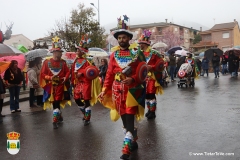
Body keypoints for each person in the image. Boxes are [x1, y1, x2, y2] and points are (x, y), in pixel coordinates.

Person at [98, 19, 146, 160]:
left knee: (130, 115)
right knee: (124, 118)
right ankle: (133, 138)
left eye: (124, 37)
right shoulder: (113, 55)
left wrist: (133, 79)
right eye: (119, 38)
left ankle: (126, 149)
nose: (121, 40)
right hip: (117, 91)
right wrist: (105, 88)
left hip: (131, 90)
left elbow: (143, 73)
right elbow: (109, 74)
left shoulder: (136, 54)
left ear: (129, 39)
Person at [40, 36, 71, 129]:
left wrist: (65, 78)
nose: (61, 54)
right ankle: (59, 115)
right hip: (51, 86)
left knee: (57, 101)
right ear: (54, 52)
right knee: (54, 102)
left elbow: (67, 72)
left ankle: (55, 120)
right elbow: (42, 74)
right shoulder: (46, 62)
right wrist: (50, 77)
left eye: (61, 52)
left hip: (60, 86)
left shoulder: (63, 63)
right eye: (59, 52)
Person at [71, 37, 101, 126]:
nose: (76, 52)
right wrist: (73, 81)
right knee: (76, 99)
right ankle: (85, 113)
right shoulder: (75, 61)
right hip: (78, 83)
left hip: (86, 83)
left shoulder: (89, 61)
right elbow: (73, 71)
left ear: (82, 51)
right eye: (76, 50)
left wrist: (83, 73)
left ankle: (87, 118)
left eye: (78, 50)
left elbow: (94, 71)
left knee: (86, 100)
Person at [138, 29, 164, 120]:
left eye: (140, 43)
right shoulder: (139, 54)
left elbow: (161, 64)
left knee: (151, 94)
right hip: (143, 78)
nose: (139, 45)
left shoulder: (154, 53)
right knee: (146, 95)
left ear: (144, 44)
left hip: (152, 77)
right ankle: (149, 110)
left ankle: (153, 112)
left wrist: (151, 67)